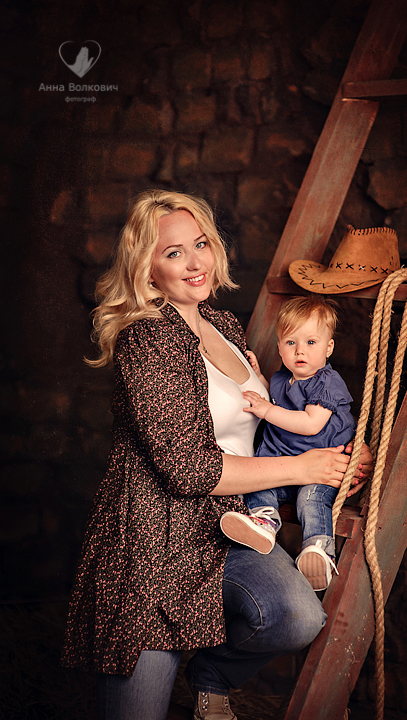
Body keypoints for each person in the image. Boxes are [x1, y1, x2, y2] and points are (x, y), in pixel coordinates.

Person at [61, 189, 372, 720]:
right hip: (156, 544)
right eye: (173, 252)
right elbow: (189, 469)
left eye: (200, 244)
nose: (194, 262)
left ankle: (211, 676)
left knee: (296, 616)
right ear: (147, 268)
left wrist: (339, 445)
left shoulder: (224, 326)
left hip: (230, 523)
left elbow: (271, 415)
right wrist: (305, 467)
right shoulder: (146, 340)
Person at [220, 296, 355, 592]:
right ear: (280, 348)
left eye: (311, 342)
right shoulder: (283, 378)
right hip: (285, 465)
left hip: (319, 471)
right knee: (258, 483)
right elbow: (278, 399)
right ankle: (265, 522)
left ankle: (319, 550)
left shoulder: (327, 383)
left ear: (329, 347)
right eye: (291, 343)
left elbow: (310, 423)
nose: (300, 351)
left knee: (311, 500)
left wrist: (267, 411)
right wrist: (258, 377)